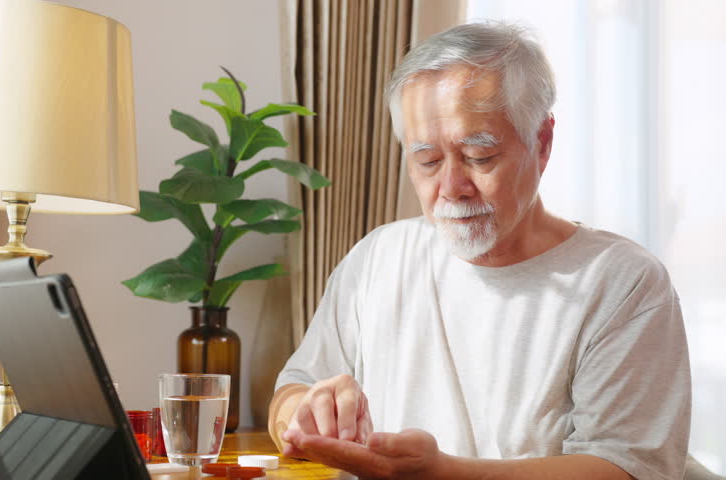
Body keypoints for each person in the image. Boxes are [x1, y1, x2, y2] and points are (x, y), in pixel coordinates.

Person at [267, 22, 691, 480]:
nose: (451, 188)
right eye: (427, 160)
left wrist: (445, 473)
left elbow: (625, 468)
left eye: (479, 156)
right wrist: (307, 415)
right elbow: (293, 390)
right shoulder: (378, 258)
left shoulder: (621, 283)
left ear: (542, 142)